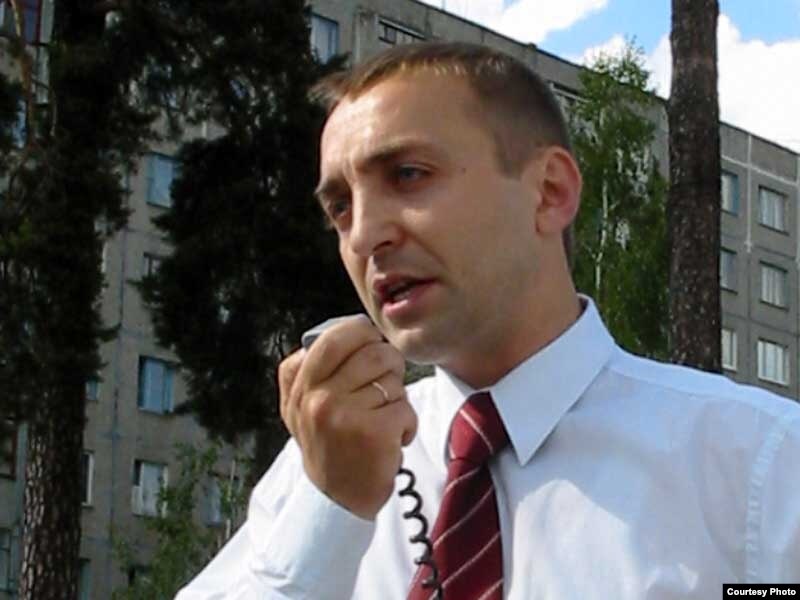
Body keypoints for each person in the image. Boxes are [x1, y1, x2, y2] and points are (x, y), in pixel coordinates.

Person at [175, 42, 800, 600]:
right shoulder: (324, 466)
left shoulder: (760, 469)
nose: (363, 236)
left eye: (408, 175)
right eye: (340, 207)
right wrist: (328, 512)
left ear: (550, 191)